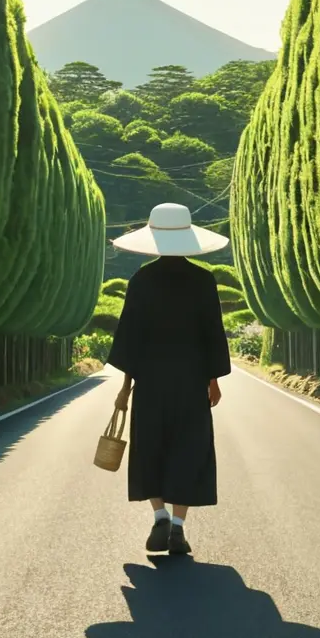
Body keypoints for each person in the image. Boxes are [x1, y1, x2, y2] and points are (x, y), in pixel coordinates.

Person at [107, 203, 232, 556]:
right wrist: (213, 380)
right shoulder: (203, 280)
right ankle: (178, 526)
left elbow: (129, 338)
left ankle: (159, 516)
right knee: (188, 448)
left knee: (150, 447)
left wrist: (127, 384)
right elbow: (213, 334)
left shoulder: (141, 280)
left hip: (151, 381)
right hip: (191, 381)